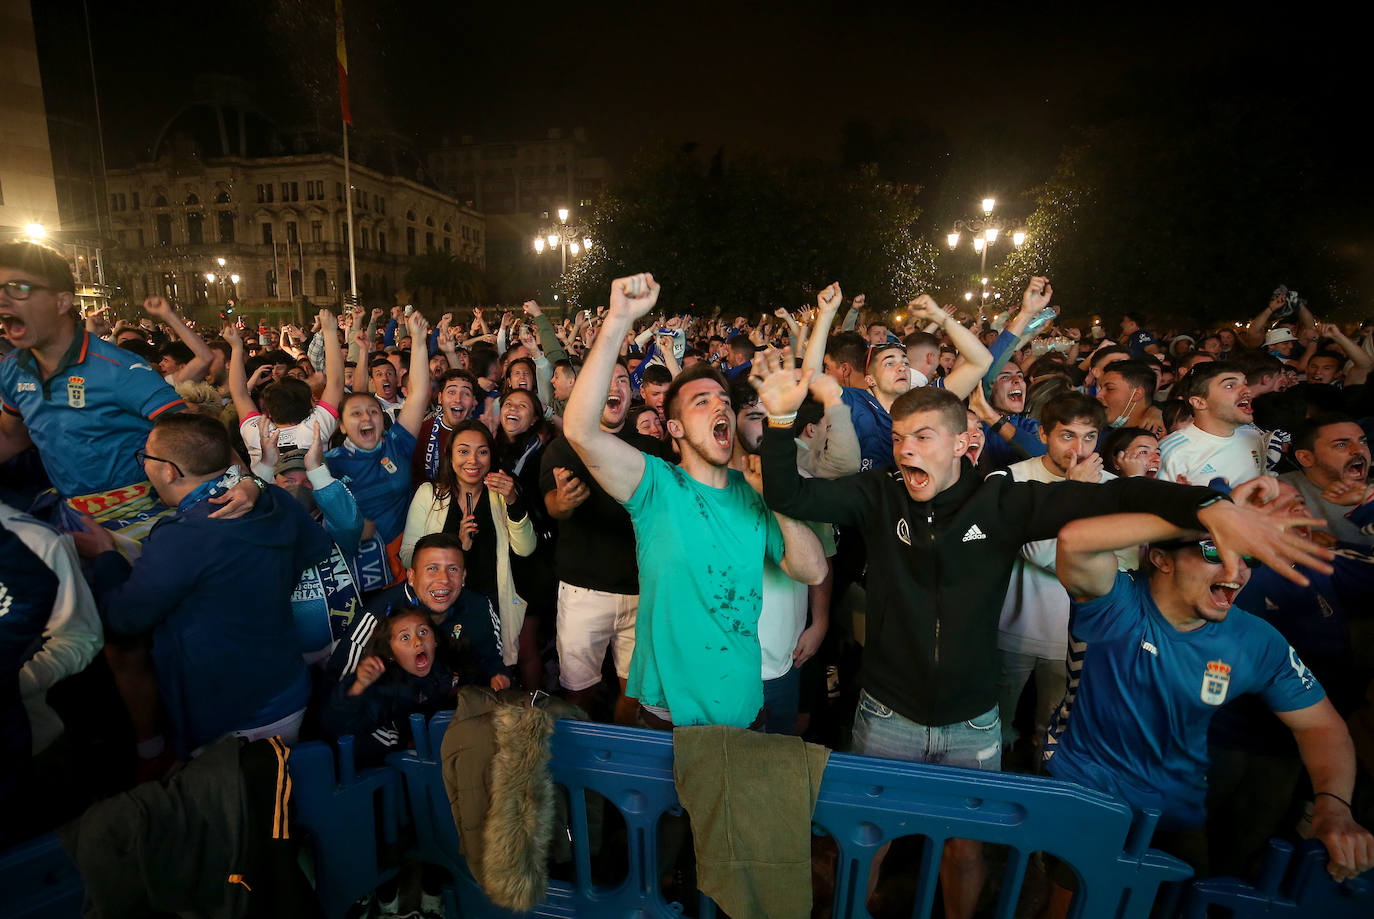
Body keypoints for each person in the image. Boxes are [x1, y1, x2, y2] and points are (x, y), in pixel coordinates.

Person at [752, 345, 1322, 919]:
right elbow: (791, 495)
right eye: (900, 438)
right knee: (868, 837)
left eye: (923, 437)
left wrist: (1210, 506)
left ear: (960, 443)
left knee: (965, 846)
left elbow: (1114, 494)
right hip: (885, 710)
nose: (905, 451)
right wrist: (778, 422)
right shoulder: (879, 494)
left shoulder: (1003, 502)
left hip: (971, 719)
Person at [1045, 483, 1371, 901]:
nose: (1236, 573)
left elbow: (1322, 726)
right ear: (1161, 558)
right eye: (1215, 551)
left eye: (1247, 555)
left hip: (1177, 811)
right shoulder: (1115, 604)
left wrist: (1333, 805)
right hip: (1089, 795)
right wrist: (1214, 516)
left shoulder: (1257, 641)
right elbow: (1075, 540)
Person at [564, 273, 826, 730]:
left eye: (724, 399)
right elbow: (579, 430)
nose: (721, 407)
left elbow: (813, 570)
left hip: (744, 712)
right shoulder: (656, 487)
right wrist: (619, 319)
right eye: (702, 403)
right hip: (665, 717)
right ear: (676, 430)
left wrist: (776, 500)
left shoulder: (755, 494)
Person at [81, 413, 332, 758]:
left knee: (240, 803)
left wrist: (105, 556)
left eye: (146, 458)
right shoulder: (273, 499)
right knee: (287, 793)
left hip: (230, 714)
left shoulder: (184, 536)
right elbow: (315, 548)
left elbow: (124, 618)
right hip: (288, 684)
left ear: (168, 470)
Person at [994, 393, 1127, 759]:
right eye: (1067, 435)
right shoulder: (1014, 479)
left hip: (1074, 639)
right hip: (1011, 631)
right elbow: (1037, 551)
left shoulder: (1114, 487)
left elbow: (1124, 565)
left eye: (1089, 437)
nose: (1079, 449)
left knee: (1050, 736)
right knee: (995, 727)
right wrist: (1078, 493)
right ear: (1042, 434)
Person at [540, 359, 668, 724]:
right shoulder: (565, 448)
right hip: (584, 592)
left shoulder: (651, 449)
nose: (616, 387)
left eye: (624, 380)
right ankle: (580, 765)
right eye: (607, 380)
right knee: (578, 690)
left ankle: (618, 763)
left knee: (636, 691)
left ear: (632, 392)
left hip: (641, 591)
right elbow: (551, 503)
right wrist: (562, 502)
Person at [400, 420, 535, 679]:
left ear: (491, 457)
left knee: (491, 677)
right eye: (463, 451)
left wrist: (513, 501)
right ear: (450, 457)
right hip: (441, 606)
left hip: (491, 605)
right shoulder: (429, 494)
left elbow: (526, 549)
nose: (472, 460)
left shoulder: (501, 494)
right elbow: (408, 556)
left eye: (482, 451)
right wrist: (454, 544)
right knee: (442, 677)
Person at [327, 533, 511, 694]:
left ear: (463, 577)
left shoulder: (479, 606)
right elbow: (340, 685)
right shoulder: (377, 616)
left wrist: (498, 677)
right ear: (412, 577)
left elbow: (493, 661)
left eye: (452, 569)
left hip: (459, 711)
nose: (444, 580)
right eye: (432, 569)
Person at [326, 312, 433, 589]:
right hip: (356, 573)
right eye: (356, 413)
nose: (367, 418)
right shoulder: (329, 464)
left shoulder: (396, 443)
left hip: (404, 564)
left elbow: (419, 393)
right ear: (341, 426)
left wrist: (420, 341)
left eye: (373, 411)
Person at [1158, 361, 1264, 490]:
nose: (1247, 390)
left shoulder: (1253, 436)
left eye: (1245, 383)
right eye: (1230, 386)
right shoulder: (1172, 452)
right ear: (1199, 402)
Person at [1280, 413, 1373, 545]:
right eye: (1341, 445)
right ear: (1306, 458)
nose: (1359, 450)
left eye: (1363, 442)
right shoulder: (1275, 492)